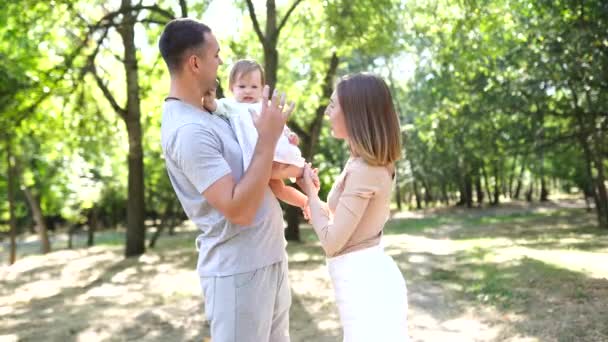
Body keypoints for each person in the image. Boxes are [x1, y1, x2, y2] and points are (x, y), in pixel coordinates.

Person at [158, 18, 299, 342]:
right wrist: (267, 139)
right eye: (216, 55)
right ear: (195, 63)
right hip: (239, 274)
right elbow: (238, 210)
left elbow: (258, 169)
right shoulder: (188, 130)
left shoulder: (213, 114)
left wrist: (283, 152)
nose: (221, 62)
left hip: (270, 259)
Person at [299, 73, 409, 342]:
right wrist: (313, 203)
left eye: (333, 105)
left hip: (366, 290)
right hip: (362, 284)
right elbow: (343, 222)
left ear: (355, 113)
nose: (327, 111)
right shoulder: (360, 163)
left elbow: (332, 241)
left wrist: (311, 196)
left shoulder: (365, 169)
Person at [203, 59, 309, 215]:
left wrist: (291, 136)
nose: (248, 91)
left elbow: (281, 126)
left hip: (277, 151)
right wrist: (209, 95)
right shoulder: (230, 105)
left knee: (294, 170)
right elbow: (212, 105)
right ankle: (305, 202)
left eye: (254, 87)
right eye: (242, 86)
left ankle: (308, 186)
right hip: (258, 158)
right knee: (279, 189)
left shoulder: (264, 105)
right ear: (232, 88)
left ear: (262, 89)